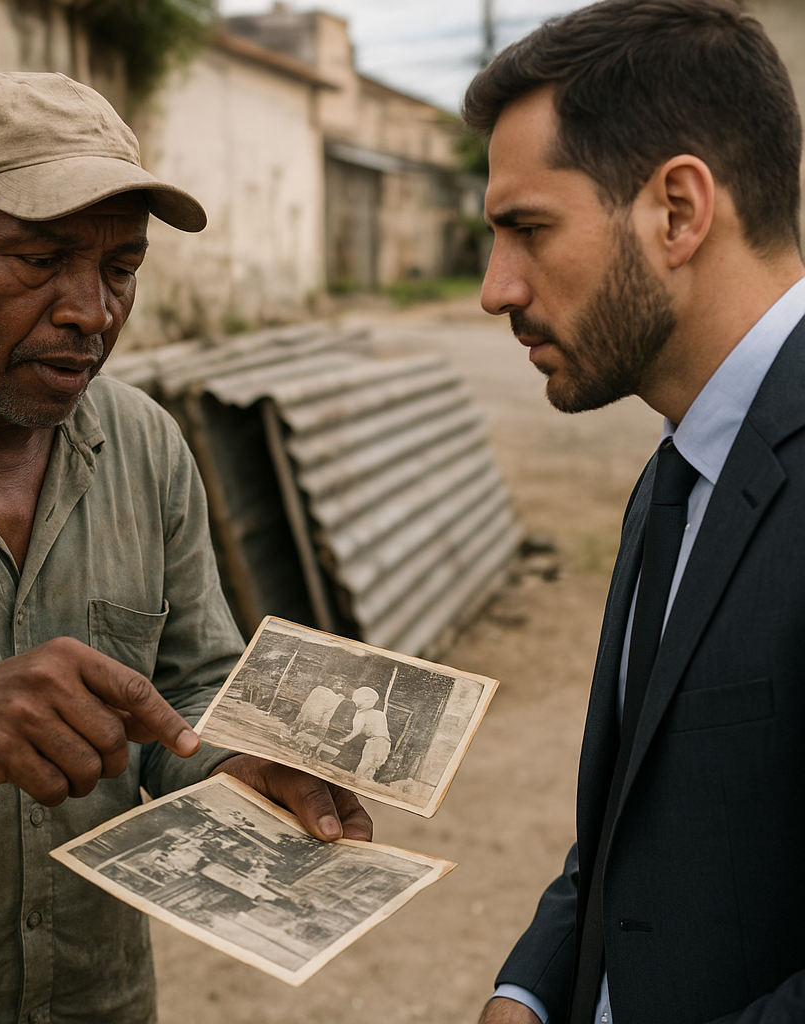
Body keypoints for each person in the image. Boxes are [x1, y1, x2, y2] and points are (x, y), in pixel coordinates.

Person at [0, 71, 371, 1023]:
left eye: (121, 269)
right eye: (40, 260)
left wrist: (239, 770)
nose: (91, 312)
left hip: (102, 1000)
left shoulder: (146, 445)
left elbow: (190, 692)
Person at [463, 1, 805, 1021]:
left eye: (528, 229)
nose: (494, 288)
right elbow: (640, 822)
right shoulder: (679, 469)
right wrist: (530, 991)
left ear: (677, 212)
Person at [344, 687, 392, 781]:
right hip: (386, 744)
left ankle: (355, 782)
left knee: (364, 766)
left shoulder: (362, 715)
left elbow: (357, 731)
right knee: (371, 769)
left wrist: (346, 739)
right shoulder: (379, 714)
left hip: (375, 743)